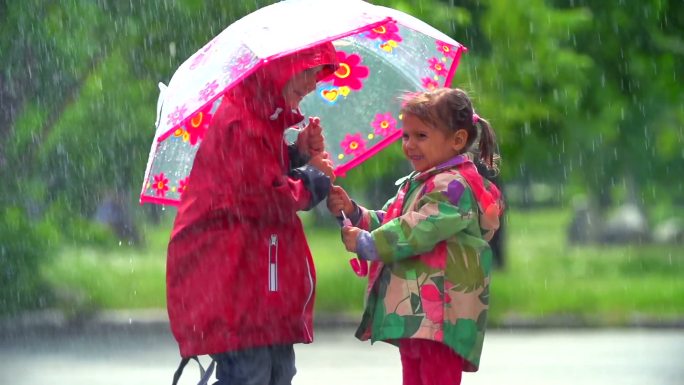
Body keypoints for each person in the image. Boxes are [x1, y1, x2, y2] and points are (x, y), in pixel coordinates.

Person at [166, 42, 339, 385]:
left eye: (316, 74)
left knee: (278, 372)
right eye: (306, 72)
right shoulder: (241, 123)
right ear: (277, 71)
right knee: (250, 375)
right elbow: (263, 198)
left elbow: (260, 174)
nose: (313, 83)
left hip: (257, 284)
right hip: (237, 281)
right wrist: (314, 180)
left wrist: (296, 154)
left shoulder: (262, 119)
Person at [327, 87, 503, 385]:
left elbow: (416, 229)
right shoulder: (421, 183)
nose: (410, 145)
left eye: (421, 136)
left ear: (457, 140)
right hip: (418, 314)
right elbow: (392, 221)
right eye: (405, 136)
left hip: (441, 316)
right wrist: (356, 213)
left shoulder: (453, 186)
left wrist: (368, 243)